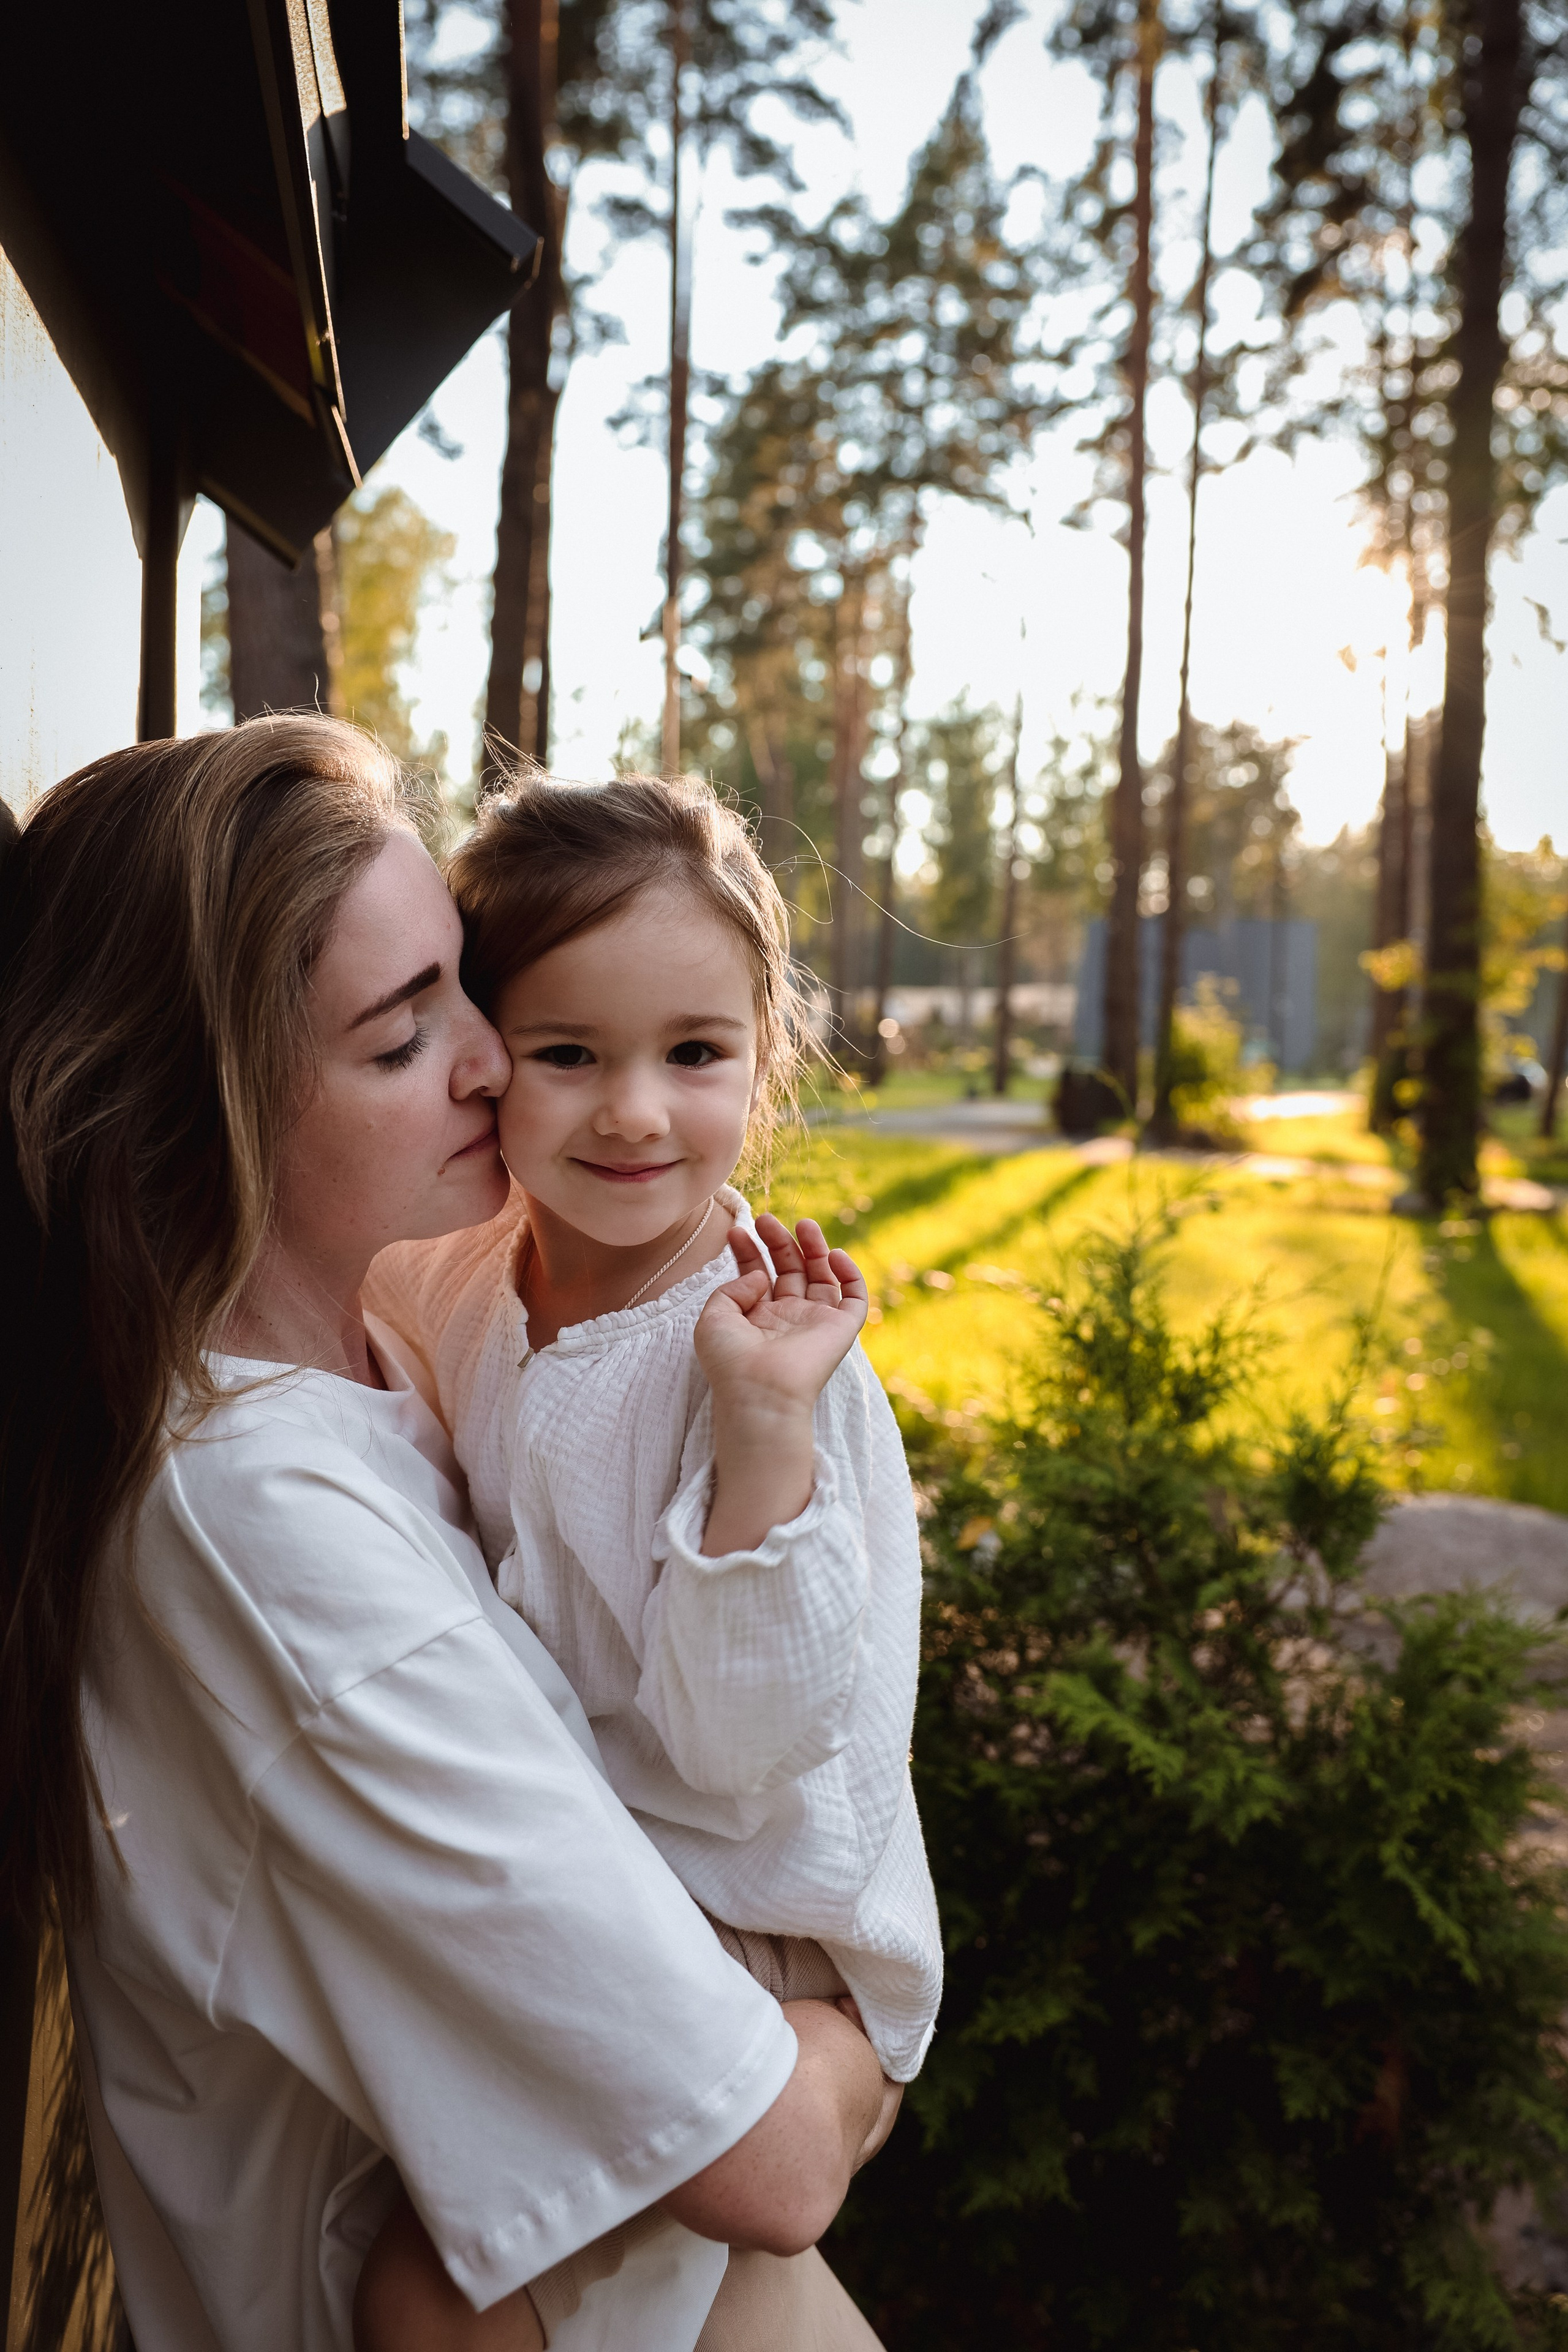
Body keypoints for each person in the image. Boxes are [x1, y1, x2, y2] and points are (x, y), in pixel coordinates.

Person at [0, 719, 896, 2352]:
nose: (497, 1062)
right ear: (198, 1113)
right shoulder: (264, 1536)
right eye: (405, 1036)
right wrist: (858, 2045)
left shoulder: (405, 1342)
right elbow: (766, 2161)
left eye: (465, 992)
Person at [356, 772, 941, 2349]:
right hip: (605, 1884)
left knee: (435, 2304)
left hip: (750, 1919)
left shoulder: (755, 1357)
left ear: (761, 1068)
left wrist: (759, 1442)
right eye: (569, 1056)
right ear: (483, 1062)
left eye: (693, 1056)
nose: (632, 1111)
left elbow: (742, 1751)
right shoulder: (471, 1276)